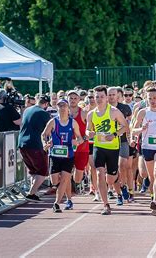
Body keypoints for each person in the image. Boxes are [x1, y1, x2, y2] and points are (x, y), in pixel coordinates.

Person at [86, 85, 129, 215]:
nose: (99, 99)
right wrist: (89, 133)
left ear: (106, 98)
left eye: (102, 97)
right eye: (96, 97)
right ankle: (106, 205)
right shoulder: (91, 114)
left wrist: (114, 134)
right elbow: (88, 129)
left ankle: (118, 184)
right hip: (99, 147)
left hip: (113, 147)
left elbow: (125, 127)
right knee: (99, 173)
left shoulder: (114, 111)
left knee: (109, 179)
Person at [41, 99, 84, 212]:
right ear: (57, 108)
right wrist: (45, 143)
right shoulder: (53, 121)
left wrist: (77, 141)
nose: (62, 108)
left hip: (68, 155)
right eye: (60, 106)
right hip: (54, 155)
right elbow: (44, 134)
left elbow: (79, 137)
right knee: (55, 181)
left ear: (68, 108)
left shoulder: (73, 122)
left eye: (64, 106)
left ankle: (57, 203)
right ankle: (68, 198)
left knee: (65, 179)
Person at [18, 95, 51, 202]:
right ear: (46, 104)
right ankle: (31, 193)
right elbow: (51, 128)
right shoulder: (44, 113)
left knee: (33, 171)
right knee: (42, 171)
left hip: (22, 143)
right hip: (34, 144)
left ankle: (33, 192)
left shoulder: (27, 110)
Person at [63, 90, 90, 209]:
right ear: (67, 99)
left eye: (75, 98)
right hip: (66, 149)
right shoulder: (63, 113)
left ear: (79, 100)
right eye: (71, 98)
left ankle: (77, 182)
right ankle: (69, 199)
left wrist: (81, 140)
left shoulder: (84, 113)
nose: (73, 100)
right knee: (65, 174)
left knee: (77, 176)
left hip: (82, 148)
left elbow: (90, 131)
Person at [108, 87, 133, 202]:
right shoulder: (104, 108)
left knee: (123, 165)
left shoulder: (125, 108)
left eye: (114, 94)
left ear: (118, 95)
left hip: (122, 140)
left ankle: (123, 186)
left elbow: (130, 123)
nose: (112, 97)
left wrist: (131, 136)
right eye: (110, 95)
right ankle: (115, 188)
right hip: (108, 142)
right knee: (111, 168)